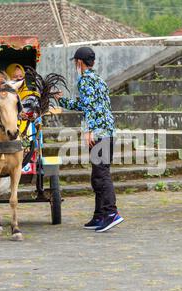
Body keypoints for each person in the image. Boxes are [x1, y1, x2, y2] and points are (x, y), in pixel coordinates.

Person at [55, 47, 123, 233]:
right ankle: (99, 215)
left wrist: (89, 131)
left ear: (79, 62)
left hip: (99, 133)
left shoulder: (85, 81)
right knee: (99, 174)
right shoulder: (98, 80)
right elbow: (85, 104)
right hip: (108, 132)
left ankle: (110, 213)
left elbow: (90, 107)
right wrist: (62, 101)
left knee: (101, 175)